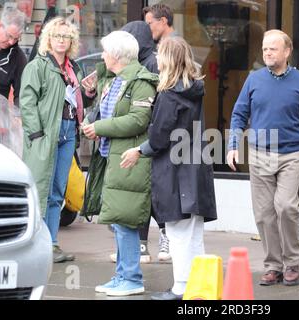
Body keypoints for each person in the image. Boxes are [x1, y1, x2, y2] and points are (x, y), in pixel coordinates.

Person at [120, 36, 217, 300]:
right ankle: (198, 288)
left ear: (169, 59)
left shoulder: (170, 94)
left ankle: (182, 288)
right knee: (194, 234)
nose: (158, 59)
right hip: (195, 169)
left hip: (176, 172)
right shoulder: (194, 89)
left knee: (178, 234)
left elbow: (160, 136)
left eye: (161, 54)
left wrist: (138, 150)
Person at [227, 29, 299, 286]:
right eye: (265, 48)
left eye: (273, 49)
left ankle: (292, 262)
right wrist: (233, 145)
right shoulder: (254, 80)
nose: (267, 52)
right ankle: (273, 266)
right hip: (259, 155)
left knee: (286, 207)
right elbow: (238, 115)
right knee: (264, 214)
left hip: (290, 155)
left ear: (287, 52)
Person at [82, 30, 157, 296]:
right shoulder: (115, 79)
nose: (102, 56)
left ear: (116, 55)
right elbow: (109, 111)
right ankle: (122, 275)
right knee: (117, 220)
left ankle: (132, 279)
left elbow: (139, 120)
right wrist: (93, 119)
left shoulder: (140, 80)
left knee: (124, 220)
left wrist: (100, 127)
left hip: (128, 159)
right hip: (112, 158)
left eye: (104, 51)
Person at [20, 17, 89, 263]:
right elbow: (26, 103)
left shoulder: (74, 68)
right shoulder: (37, 66)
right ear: (48, 39)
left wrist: (88, 93)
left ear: (72, 41)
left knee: (58, 191)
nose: (61, 40)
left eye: (66, 36)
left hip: (69, 131)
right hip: (45, 134)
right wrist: (36, 133)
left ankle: (52, 244)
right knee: (41, 189)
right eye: (57, 36)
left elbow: (80, 101)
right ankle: (32, 245)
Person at [106, 21, 170, 264]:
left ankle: (158, 239)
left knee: (146, 195)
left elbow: (149, 107)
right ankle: (141, 245)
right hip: (143, 139)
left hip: (146, 139)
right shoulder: (140, 64)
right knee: (140, 195)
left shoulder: (150, 64)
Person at [0, 7, 27, 105]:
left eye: (16, 39)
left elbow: (21, 95)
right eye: (9, 36)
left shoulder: (19, 58)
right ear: (0, 26)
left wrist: (18, 116)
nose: (11, 42)